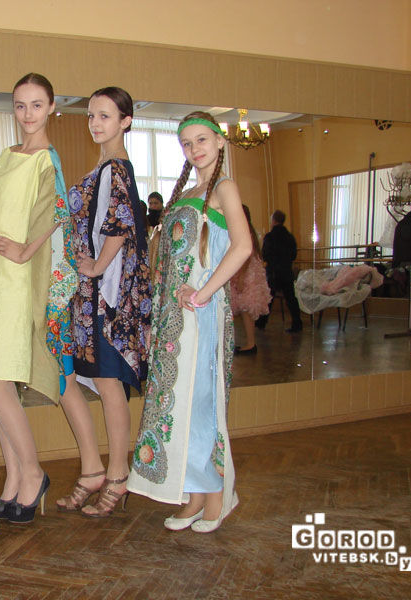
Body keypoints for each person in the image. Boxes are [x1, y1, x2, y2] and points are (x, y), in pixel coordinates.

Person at [127, 111, 251, 533]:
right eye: (187, 143)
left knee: (201, 402)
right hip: (173, 317)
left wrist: (203, 292)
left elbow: (242, 246)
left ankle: (216, 495)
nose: (195, 149)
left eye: (202, 140)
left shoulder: (224, 188)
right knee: (180, 405)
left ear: (220, 142)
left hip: (201, 315)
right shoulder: (188, 192)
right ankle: (194, 494)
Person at [0, 73, 77, 523]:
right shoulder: (6, 154)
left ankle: (33, 472)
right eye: (20, 105)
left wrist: (25, 250)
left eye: (37, 105)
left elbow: (58, 210)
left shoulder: (46, 159)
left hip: (16, 281)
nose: (28, 113)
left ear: (51, 107)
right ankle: (14, 478)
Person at [56, 86, 151, 517]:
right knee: (103, 382)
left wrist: (95, 267)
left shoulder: (117, 168)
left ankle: (118, 475)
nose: (95, 123)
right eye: (91, 115)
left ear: (125, 121)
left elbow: (119, 223)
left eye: (105, 116)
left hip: (110, 297)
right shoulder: (105, 167)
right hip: (96, 294)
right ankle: (104, 472)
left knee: (111, 385)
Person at [230, 204, 271, 354]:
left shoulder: (244, 231)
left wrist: (241, 277)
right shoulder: (247, 230)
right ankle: (246, 342)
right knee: (242, 310)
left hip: (245, 273)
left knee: (246, 309)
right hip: (243, 272)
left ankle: (250, 343)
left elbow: (246, 255)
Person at [255, 209, 303, 332]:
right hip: (286, 272)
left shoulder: (270, 237)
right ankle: (297, 323)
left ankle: (261, 322)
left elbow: (265, 255)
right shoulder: (289, 237)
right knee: (291, 299)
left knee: (269, 299)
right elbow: (293, 255)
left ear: (273, 220)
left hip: (273, 273)